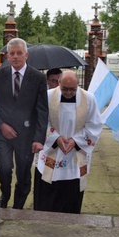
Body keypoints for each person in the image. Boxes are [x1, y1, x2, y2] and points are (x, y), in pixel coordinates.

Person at [34, 70, 103, 213]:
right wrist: (56, 138)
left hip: (75, 155)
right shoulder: (47, 96)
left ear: (78, 84)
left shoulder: (89, 99)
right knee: (47, 195)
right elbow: (40, 121)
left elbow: (95, 125)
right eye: (65, 89)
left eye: (73, 89)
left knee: (71, 195)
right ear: (59, 83)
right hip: (52, 151)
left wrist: (75, 141)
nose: (69, 93)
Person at [0, 37, 48, 209]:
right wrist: (1, 125)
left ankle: (18, 205)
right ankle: (5, 196)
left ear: (26, 55)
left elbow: (42, 110)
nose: (15, 57)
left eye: (19, 53)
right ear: (7, 56)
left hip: (27, 135)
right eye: (12, 54)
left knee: (23, 172)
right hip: (3, 133)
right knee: (4, 168)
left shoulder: (38, 77)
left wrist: (39, 138)